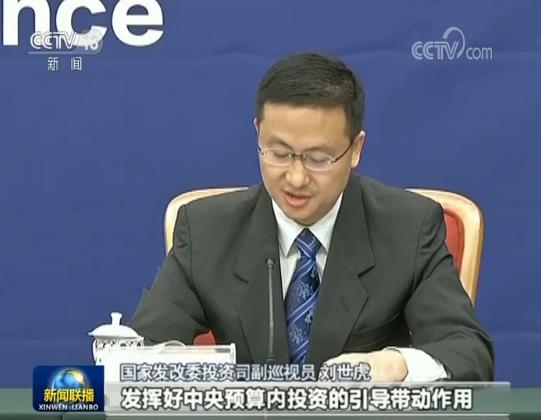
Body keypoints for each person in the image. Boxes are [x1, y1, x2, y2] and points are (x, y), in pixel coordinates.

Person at [130, 52, 494, 382]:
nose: (296, 178)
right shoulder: (207, 231)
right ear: (258, 133)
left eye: (318, 159)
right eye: (279, 153)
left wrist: (395, 364)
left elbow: (467, 351)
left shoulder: (408, 228)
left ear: (356, 149)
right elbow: (142, 351)